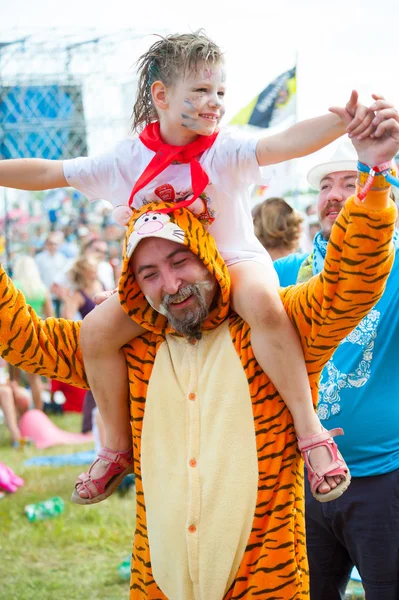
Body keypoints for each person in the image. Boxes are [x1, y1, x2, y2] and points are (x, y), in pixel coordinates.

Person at [0, 111, 396, 598]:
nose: (170, 284)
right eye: (148, 274)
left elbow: (349, 286)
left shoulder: (275, 331)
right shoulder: (130, 348)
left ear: (208, 254)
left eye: (180, 261)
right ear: (130, 285)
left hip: (265, 580)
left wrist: (375, 177)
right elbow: (24, 339)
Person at [0, 31, 377, 505]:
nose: (214, 102)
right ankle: (115, 447)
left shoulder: (225, 149)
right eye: (199, 91)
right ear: (161, 95)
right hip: (162, 284)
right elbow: (50, 173)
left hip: (234, 263)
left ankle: (310, 430)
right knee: (94, 330)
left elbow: (284, 143)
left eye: (220, 91)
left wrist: (340, 123)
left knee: (264, 303)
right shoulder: (126, 159)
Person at [273, 100, 399, 600]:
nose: (334, 195)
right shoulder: (286, 276)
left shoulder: (392, 267)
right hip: (304, 482)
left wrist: (378, 168)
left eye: (349, 182)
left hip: (382, 480)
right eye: (325, 186)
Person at [12, 255, 54, 410]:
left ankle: (18, 413)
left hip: (16, 334)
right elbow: (50, 316)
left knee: (14, 379)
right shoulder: (42, 288)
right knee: (34, 378)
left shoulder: (14, 286)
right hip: (35, 335)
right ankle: (38, 412)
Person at [0, 358, 30, 447]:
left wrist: (12, 384)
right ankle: (16, 436)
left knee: (23, 397)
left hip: (4, 384)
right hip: (3, 389)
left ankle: (25, 431)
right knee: (6, 393)